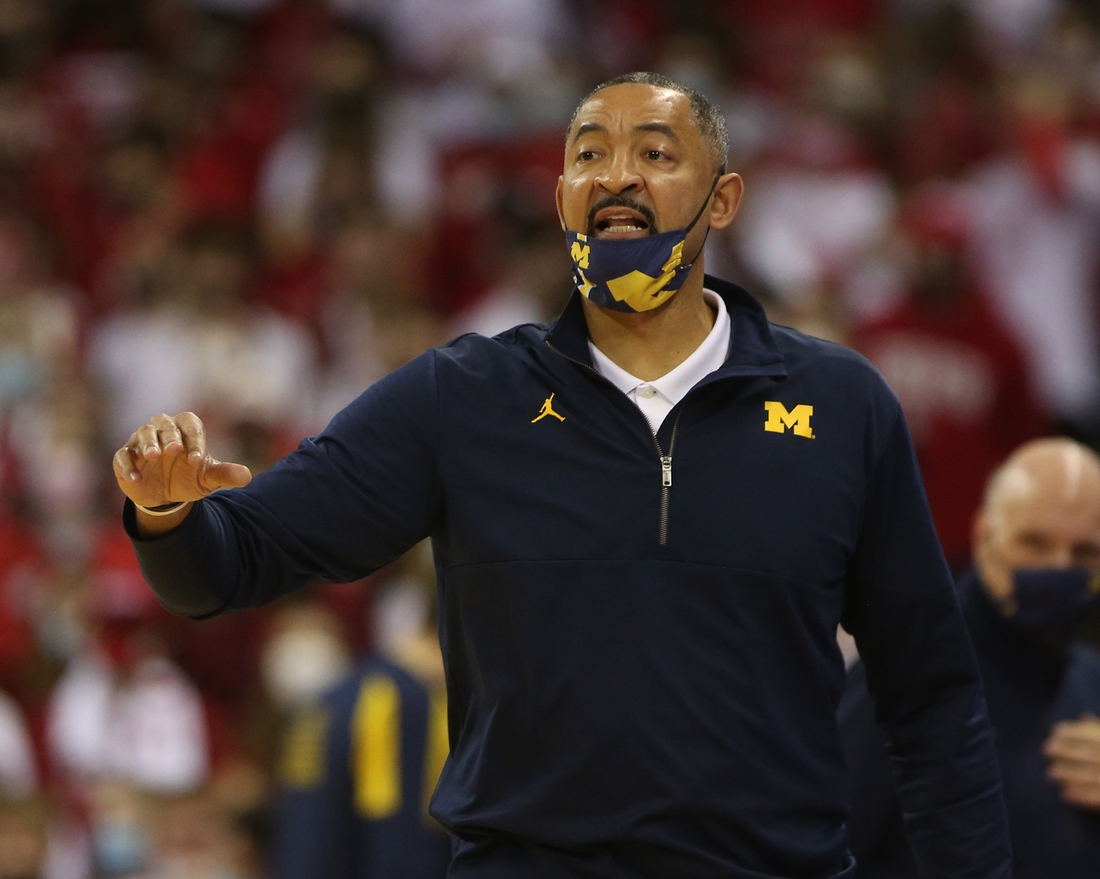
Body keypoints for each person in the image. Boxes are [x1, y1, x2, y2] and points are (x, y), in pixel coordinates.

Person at [112, 73, 1011, 878]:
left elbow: (929, 691)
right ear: (562, 198)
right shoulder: (461, 398)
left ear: (724, 198)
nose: (617, 174)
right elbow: (234, 561)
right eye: (590, 154)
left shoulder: (842, 404)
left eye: (655, 153)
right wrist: (164, 515)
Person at [841, 437, 1100, 878]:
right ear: (984, 537)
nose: (1058, 567)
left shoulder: (1091, 680)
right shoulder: (906, 673)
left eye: (1084, 553)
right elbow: (816, 851)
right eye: (1034, 543)